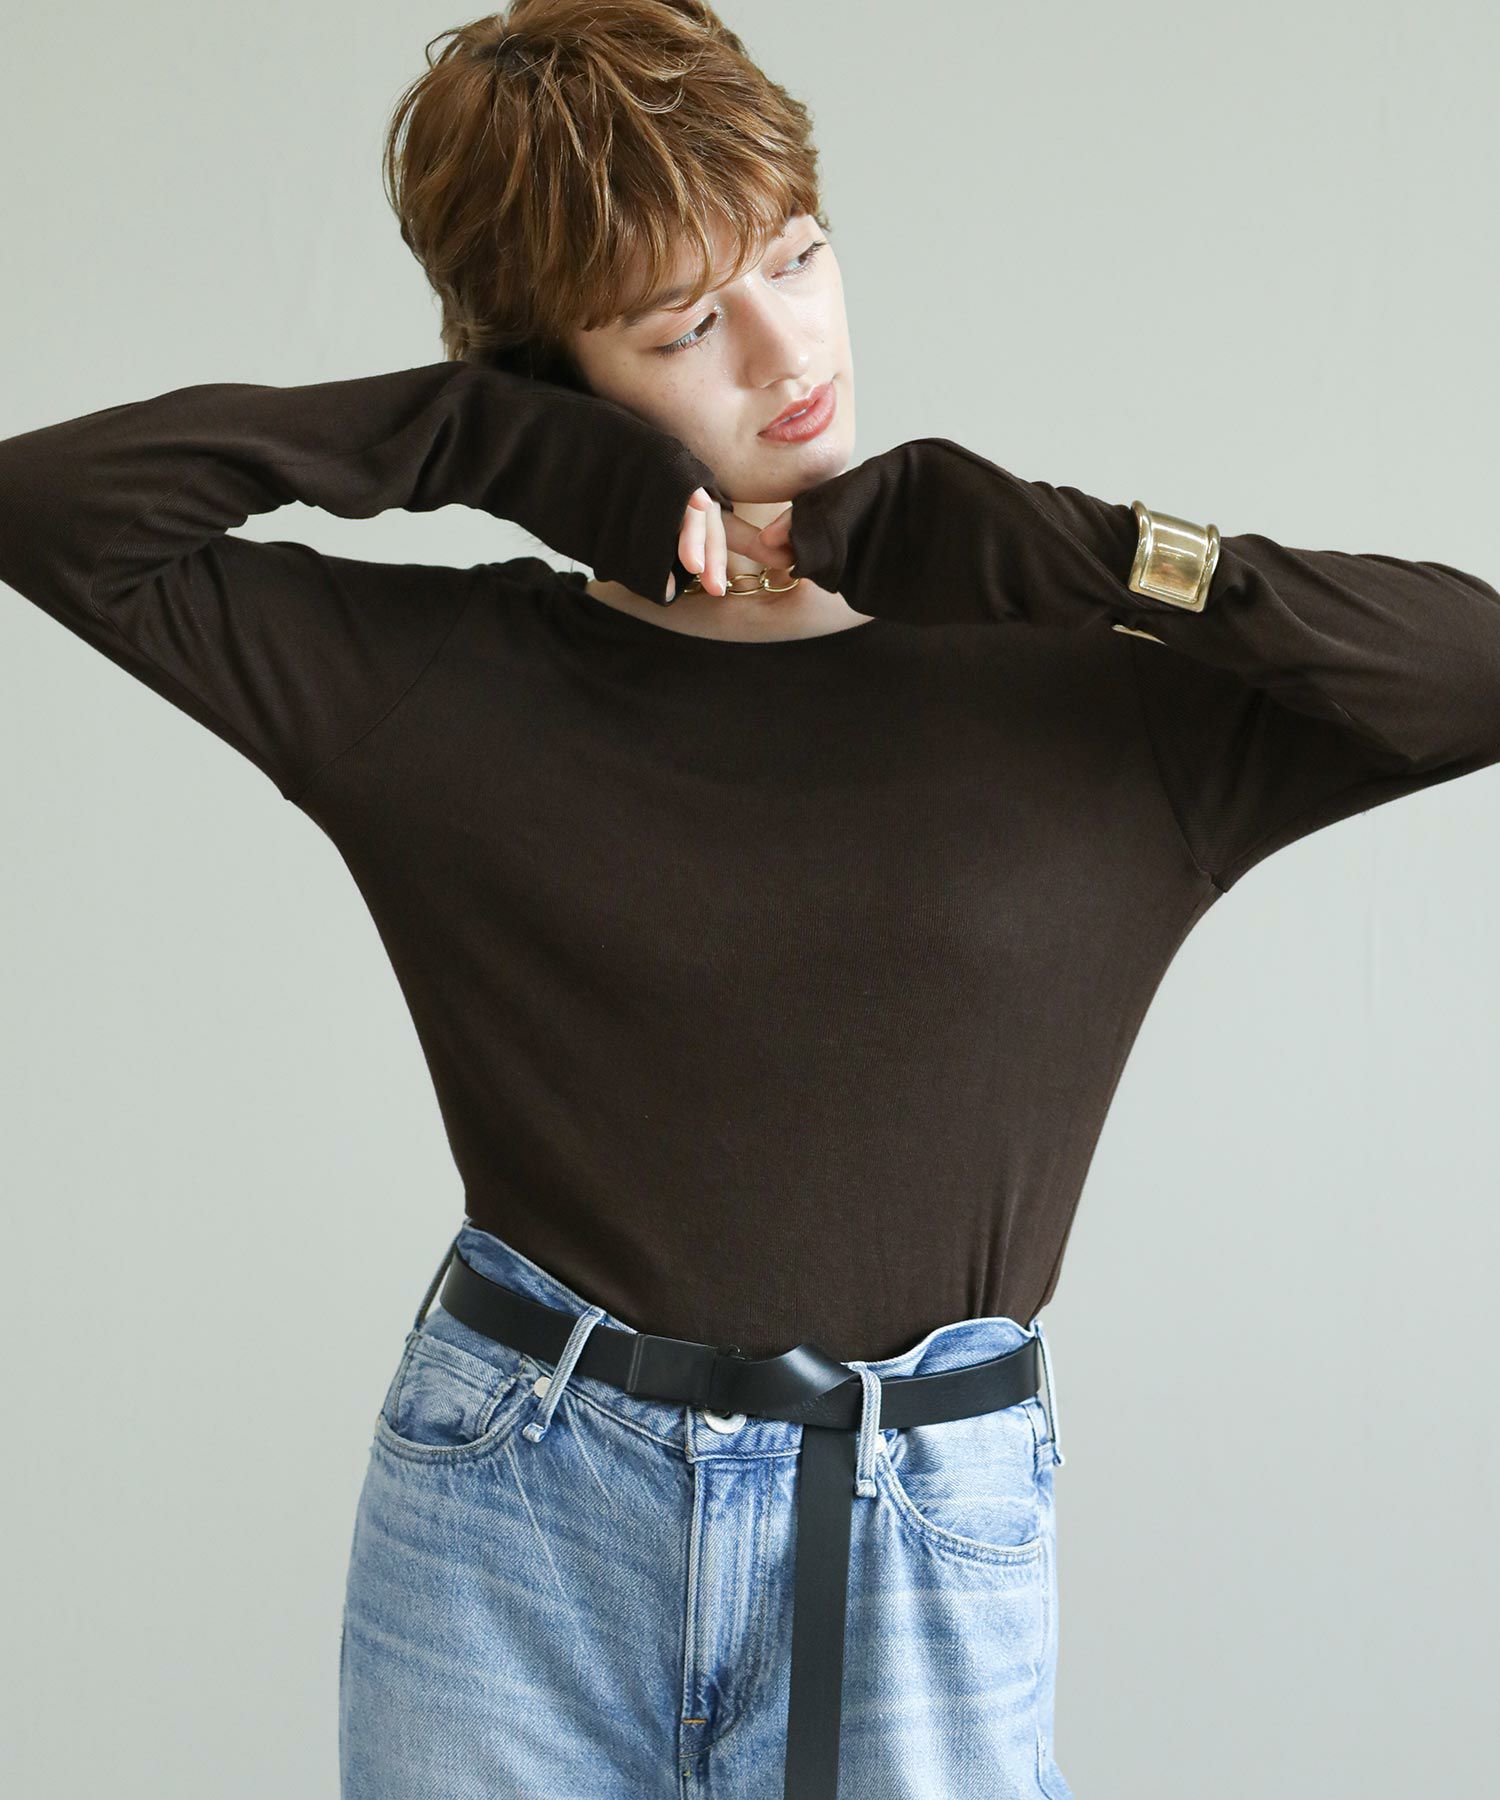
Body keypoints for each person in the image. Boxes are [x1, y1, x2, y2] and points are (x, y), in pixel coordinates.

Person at [4, 3, 1498, 1796]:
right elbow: (49, 509)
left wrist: (1105, 556)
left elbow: (1472, 674)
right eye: (685, 323)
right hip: (512, 1524)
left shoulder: (1085, 702)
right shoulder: (440, 689)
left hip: (914, 1532)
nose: (791, 346)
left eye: (796, 254)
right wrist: (474, 442)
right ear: (559, 381)